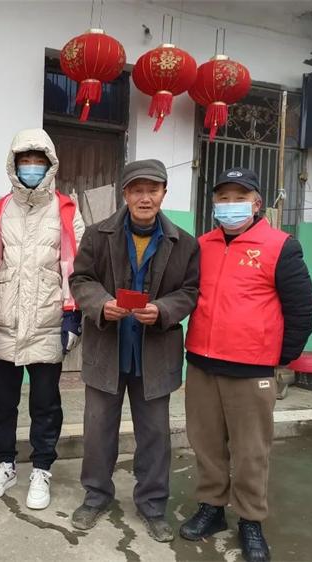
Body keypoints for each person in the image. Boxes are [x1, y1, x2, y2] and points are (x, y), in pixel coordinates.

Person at [181, 167, 312, 562]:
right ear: (213, 204)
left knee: (250, 451)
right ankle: (211, 507)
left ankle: (251, 519)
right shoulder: (201, 245)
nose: (230, 205)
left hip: (252, 370)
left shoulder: (280, 246)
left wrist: (278, 356)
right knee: (206, 443)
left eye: (239, 198)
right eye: (222, 198)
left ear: (256, 204)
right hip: (202, 363)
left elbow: (303, 309)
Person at [69, 159, 200, 542]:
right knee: (98, 431)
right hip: (107, 350)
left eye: (152, 190)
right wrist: (100, 304)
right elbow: (81, 278)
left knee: (156, 434)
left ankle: (153, 505)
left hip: (154, 354)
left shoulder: (185, 243)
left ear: (163, 193)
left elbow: (190, 291)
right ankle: (96, 496)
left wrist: (162, 310)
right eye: (137, 190)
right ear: (125, 194)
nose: (145, 198)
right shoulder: (97, 235)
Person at [0, 128, 85, 510]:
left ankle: (41, 469)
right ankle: (5, 464)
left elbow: (76, 268)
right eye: (24, 160)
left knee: (45, 404)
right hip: (4, 322)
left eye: (37, 161)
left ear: (50, 165)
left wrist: (73, 317)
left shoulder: (66, 210)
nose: (30, 167)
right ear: (14, 165)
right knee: (2, 401)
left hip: (47, 321)